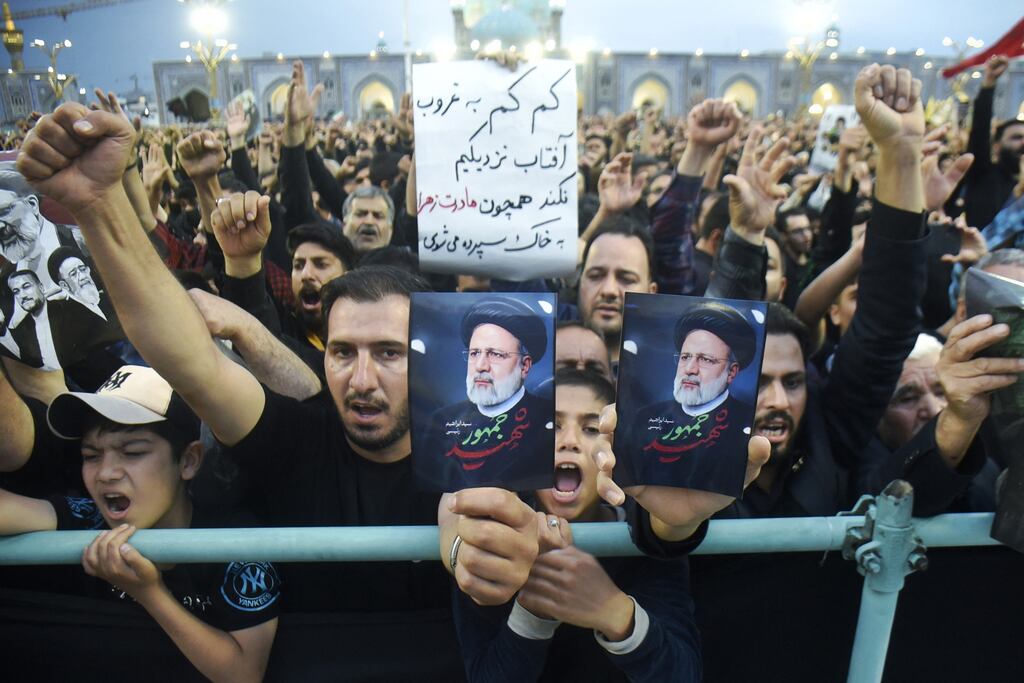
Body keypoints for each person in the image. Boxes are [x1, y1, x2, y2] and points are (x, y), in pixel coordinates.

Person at [16, 105, 539, 676]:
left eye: (388, 353)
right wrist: (100, 203)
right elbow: (189, 359)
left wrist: (509, 557)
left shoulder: (481, 446)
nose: (361, 380)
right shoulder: (299, 442)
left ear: (430, 358)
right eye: (342, 353)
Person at [450, 368, 771, 682]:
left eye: (591, 429)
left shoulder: (646, 530)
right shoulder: (492, 530)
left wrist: (613, 611)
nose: (569, 442)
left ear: (613, 449)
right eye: (552, 426)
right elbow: (486, 674)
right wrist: (534, 611)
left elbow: (684, 672)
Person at [0, 365, 279, 683]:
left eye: (131, 452)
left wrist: (149, 593)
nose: (106, 473)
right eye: (91, 455)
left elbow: (243, 675)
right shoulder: (88, 517)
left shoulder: (235, 541)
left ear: (188, 461)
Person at [417, 296, 554, 492]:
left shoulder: (546, 418)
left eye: (495, 354)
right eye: (474, 354)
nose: (481, 366)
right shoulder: (440, 421)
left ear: (525, 366)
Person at [624, 302, 758, 495]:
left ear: (731, 372)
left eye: (705, 359)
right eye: (685, 357)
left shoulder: (746, 424)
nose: (690, 369)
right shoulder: (645, 418)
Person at [962, 55, 1024, 229]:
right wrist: (989, 83)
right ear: (996, 147)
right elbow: (980, 130)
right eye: (1016, 137)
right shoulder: (983, 174)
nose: (1023, 143)